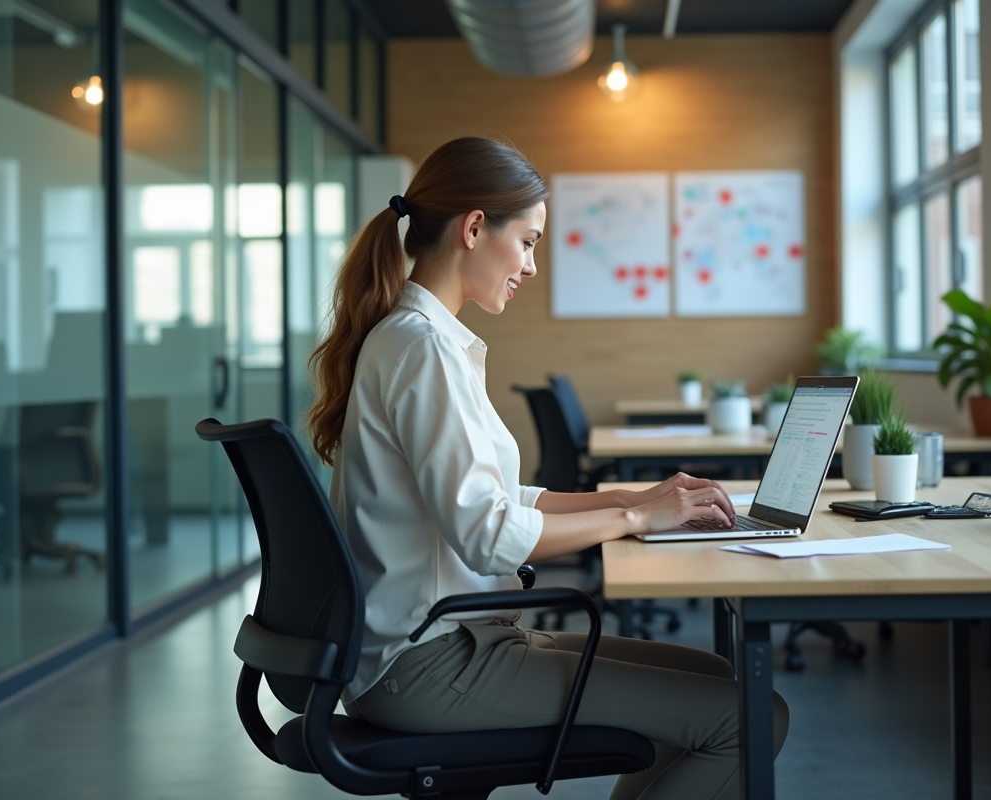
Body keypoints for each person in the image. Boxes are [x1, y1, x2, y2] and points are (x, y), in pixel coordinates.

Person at [307, 136, 788, 800]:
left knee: (712, 680)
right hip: (431, 666)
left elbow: (503, 497)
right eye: (528, 241)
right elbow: (488, 532)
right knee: (750, 715)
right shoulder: (421, 349)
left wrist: (635, 496)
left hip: (447, 647)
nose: (531, 265)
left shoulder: (424, 340)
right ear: (475, 227)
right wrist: (632, 516)